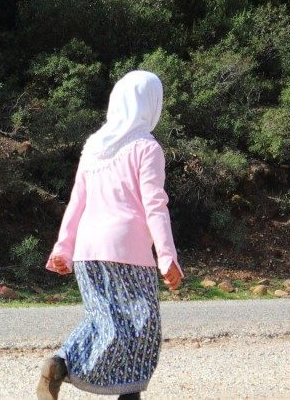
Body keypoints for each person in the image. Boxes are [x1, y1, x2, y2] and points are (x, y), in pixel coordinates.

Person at [37, 71, 184, 400]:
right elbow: (155, 206)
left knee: (103, 320)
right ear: (150, 104)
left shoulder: (94, 146)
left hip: (87, 251)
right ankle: (127, 396)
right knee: (141, 328)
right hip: (127, 250)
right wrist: (167, 257)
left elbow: (77, 200)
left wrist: (63, 248)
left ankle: (59, 362)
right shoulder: (147, 148)